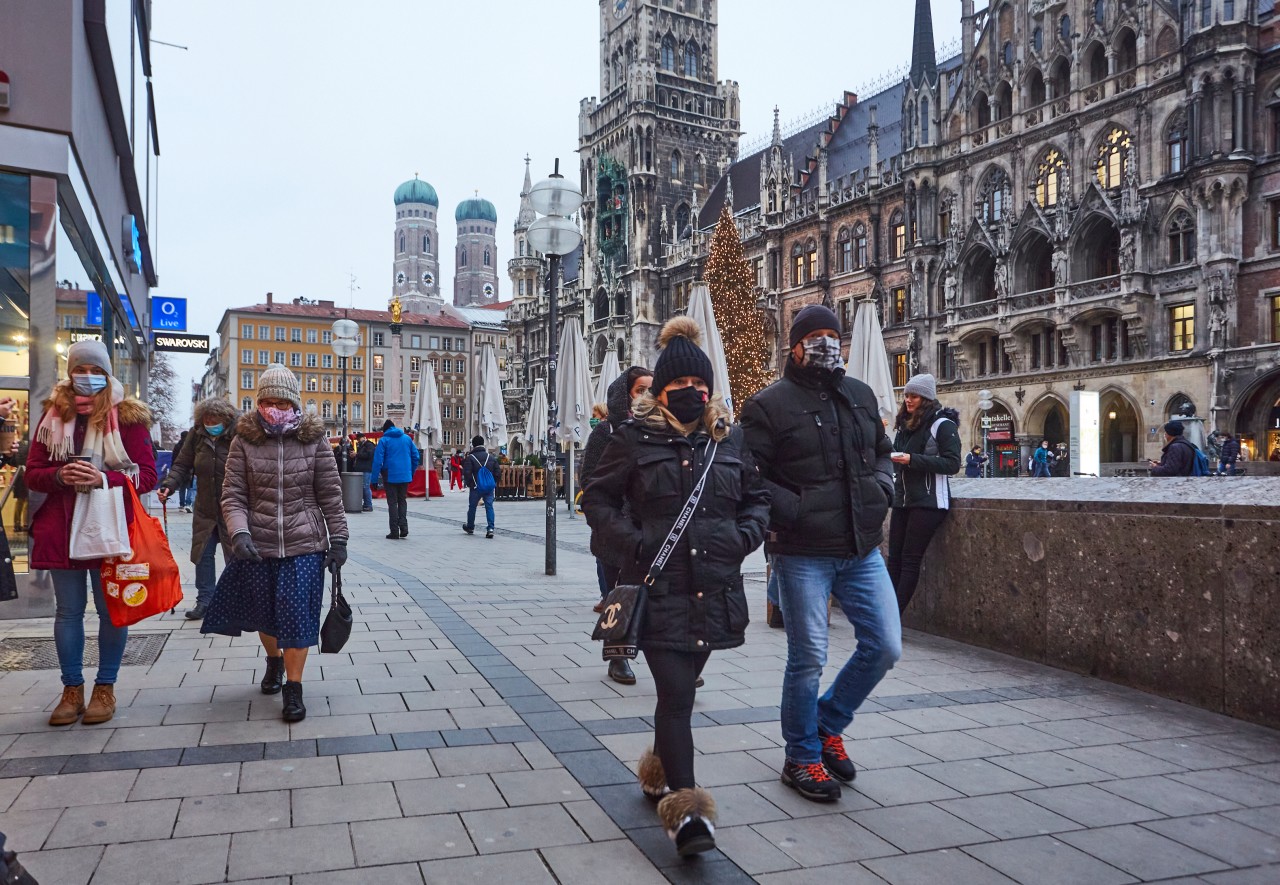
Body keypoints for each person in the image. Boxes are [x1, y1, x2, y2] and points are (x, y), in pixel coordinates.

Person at [584, 316, 769, 857]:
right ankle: (687, 812)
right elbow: (595, 499)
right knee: (677, 696)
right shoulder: (632, 441)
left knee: (683, 692)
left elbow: (757, 497)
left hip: (715, 589)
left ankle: (658, 766)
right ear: (661, 392)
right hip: (658, 586)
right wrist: (634, 542)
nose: (692, 394)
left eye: (700, 387)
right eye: (680, 387)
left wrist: (745, 535)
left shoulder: (728, 441)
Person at [739, 304, 900, 803]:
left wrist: (883, 487)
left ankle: (828, 722)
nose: (829, 343)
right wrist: (795, 510)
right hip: (803, 551)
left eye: (835, 334)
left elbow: (880, 447)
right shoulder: (768, 404)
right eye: (818, 336)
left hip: (860, 547)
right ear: (797, 346)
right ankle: (801, 756)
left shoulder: (859, 394)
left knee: (886, 645)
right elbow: (747, 472)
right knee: (808, 656)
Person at [201, 365, 347, 722]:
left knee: (297, 618)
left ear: (294, 402)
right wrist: (239, 533)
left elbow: (330, 493)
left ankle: (293, 688)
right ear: (258, 402)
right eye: (267, 400)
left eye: (281, 401)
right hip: (258, 543)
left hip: (305, 545)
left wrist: (339, 539)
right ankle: (274, 659)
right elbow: (233, 495)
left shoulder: (313, 440)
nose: (274, 407)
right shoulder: (244, 440)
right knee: (266, 616)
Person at [25, 339, 157, 726]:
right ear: (69, 374)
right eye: (79, 371)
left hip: (108, 527)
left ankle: (105, 688)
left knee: (111, 612)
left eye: (95, 371)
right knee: (67, 612)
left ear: (107, 374)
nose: (87, 378)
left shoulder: (129, 418)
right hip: (61, 528)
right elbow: (33, 472)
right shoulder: (53, 416)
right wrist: (60, 475)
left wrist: (104, 477)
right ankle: (71, 690)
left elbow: (147, 475)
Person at [580, 365, 653, 685]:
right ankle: (618, 656)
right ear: (625, 393)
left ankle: (670, 661)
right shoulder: (605, 432)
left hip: (649, 529)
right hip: (615, 530)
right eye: (640, 389)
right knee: (617, 596)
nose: (646, 396)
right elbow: (590, 481)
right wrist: (612, 519)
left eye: (651, 389)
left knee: (653, 596)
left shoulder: (660, 430)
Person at [158, 397, 240, 620]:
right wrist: (169, 486)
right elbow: (183, 463)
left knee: (236, 556)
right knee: (203, 554)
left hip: (233, 508)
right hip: (204, 507)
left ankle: (236, 601)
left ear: (226, 418)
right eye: (206, 419)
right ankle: (205, 601)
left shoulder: (239, 435)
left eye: (215, 418)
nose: (210, 422)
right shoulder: (197, 435)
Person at [888, 375, 961, 615]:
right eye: (907, 395)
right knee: (894, 560)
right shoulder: (905, 424)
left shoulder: (942, 425)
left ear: (926, 399)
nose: (908, 400)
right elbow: (897, 456)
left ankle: (892, 618)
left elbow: (952, 464)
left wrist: (912, 460)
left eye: (914, 396)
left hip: (929, 502)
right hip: (903, 500)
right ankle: (884, 615)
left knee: (909, 561)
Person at [372, 419, 419, 540]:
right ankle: (404, 527)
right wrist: (411, 471)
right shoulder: (407, 439)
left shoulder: (384, 440)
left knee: (392, 502)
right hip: (405, 475)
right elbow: (416, 457)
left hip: (390, 475)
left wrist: (374, 479)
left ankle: (394, 531)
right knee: (402, 500)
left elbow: (377, 461)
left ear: (385, 430)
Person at [462, 436, 496, 538]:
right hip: (488, 487)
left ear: (473, 445)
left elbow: (467, 473)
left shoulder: (470, 458)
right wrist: (492, 483)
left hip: (476, 487)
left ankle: (470, 527)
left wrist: (471, 484)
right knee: (489, 506)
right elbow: (497, 472)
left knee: (472, 507)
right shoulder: (491, 457)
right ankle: (490, 528)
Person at [352, 431, 376, 511]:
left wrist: (357, 454)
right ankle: (366, 504)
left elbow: (368, 455)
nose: (358, 440)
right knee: (363, 487)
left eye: (359, 439)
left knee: (366, 486)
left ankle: (368, 505)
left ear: (363, 437)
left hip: (366, 469)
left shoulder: (369, 445)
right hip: (362, 469)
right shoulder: (362, 446)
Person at [174, 430, 193, 511]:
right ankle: (188, 504)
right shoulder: (190, 446)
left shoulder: (177, 446)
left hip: (180, 470)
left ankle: (181, 504)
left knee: (182, 488)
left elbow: (173, 458)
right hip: (189, 469)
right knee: (189, 488)